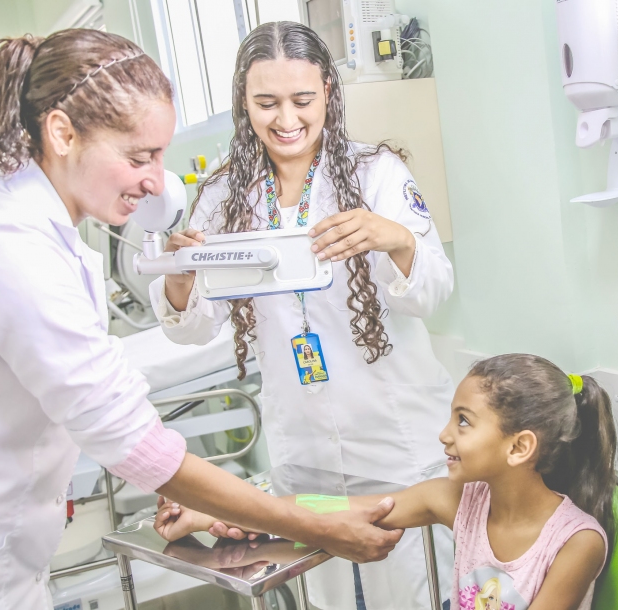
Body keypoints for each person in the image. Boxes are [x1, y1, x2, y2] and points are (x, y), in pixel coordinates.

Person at [0, 29, 401, 609]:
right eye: (139, 156)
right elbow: (129, 439)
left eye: (160, 155)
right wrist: (301, 520)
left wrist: (224, 501)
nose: (154, 181)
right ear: (62, 132)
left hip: (0, 551)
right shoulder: (10, 245)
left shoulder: (28, 223)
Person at [150, 21, 456, 610]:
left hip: (394, 441)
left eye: (302, 100)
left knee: (416, 594)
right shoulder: (222, 197)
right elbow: (193, 329)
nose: (285, 118)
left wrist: (394, 239)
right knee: (330, 600)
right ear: (244, 104)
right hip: (305, 453)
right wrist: (183, 280)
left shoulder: (376, 173)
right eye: (266, 102)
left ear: (329, 97)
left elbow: (431, 291)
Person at [157, 354, 618, 610]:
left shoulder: (575, 543)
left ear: (519, 447)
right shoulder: (457, 500)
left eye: (463, 422)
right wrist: (214, 510)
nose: (443, 435)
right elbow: (335, 507)